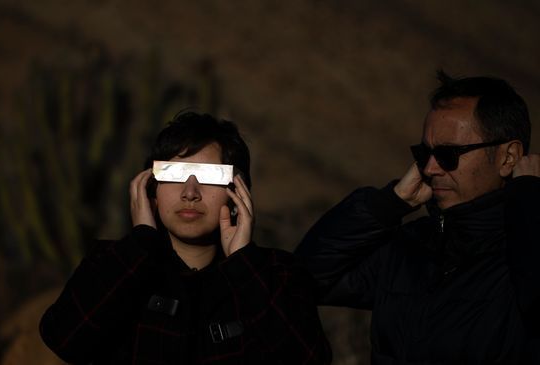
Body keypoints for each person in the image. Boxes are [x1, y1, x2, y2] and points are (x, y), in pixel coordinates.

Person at [40, 111, 332, 364]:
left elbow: (307, 359)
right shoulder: (114, 264)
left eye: (209, 177)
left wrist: (243, 264)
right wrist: (141, 242)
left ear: (238, 191)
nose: (189, 192)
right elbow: (64, 340)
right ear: (151, 190)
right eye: (174, 173)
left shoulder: (276, 273)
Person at [295, 71, 540, 364]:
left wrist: (528, 204)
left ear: (508, 157)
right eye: (424, 153)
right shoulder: (411, 246)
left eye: (449, 154)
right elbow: (301, 281)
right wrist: (389, 203)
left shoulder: (523, 254)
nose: (431, 168)